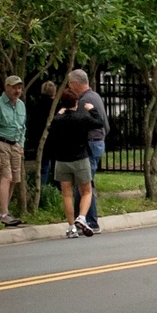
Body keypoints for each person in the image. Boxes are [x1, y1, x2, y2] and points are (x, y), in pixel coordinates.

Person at [48, 86, 98, 237]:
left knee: (66, 194)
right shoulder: (82, 118)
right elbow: (99, 123)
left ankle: (71, 227)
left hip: (62, 160)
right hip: (80, 158)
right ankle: (82, 217)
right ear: (76, 102)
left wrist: (58, 113)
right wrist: (92, 110)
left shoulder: (57, 120)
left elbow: (51, 131)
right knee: (87, 191)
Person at [67, 68, 109, 233]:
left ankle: (89, 221)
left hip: (90, 143)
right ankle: (85, 219)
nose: (69, 87)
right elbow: (105, 124)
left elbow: (80, 125)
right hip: (97, 142)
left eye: (70, 84)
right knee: (86, 182)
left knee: (84, 184)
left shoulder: (84, 101)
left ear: (76, 83)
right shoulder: (95, 96)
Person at [0, 74, 27, 227]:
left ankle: (4, 210)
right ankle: (4, 214)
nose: (17, 90)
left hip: (16, 144)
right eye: (14, 87)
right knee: (6, 176)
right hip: (1, 143)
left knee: (14, 179)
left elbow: (23, 127)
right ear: (6, 87)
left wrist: (21, 144)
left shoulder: (21, 105)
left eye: (19, 87)